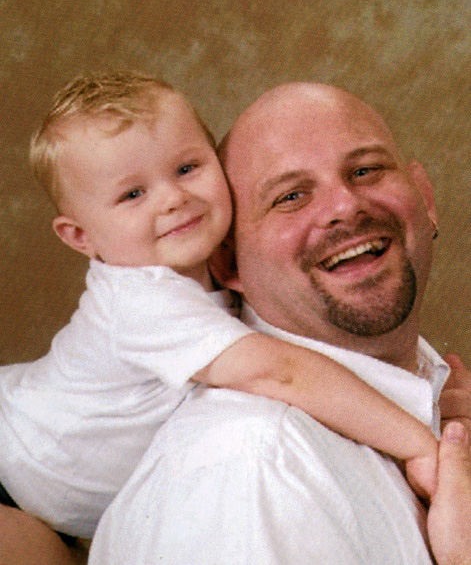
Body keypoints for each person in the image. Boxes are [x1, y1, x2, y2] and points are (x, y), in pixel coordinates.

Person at [0, 73, 436, 541]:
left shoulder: (204, 270)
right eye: (132, 194)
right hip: (14, 471)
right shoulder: (141, 301)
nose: (174, 198)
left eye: (187, 168)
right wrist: (424, 446)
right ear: (80, 237)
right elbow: (284, 373)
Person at [87, 82, 470, 565]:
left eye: (365, 170)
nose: (345, 206)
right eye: (290, 196)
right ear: (227, 263)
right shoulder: (255, 472)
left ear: (426, 198)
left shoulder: (442, 402)